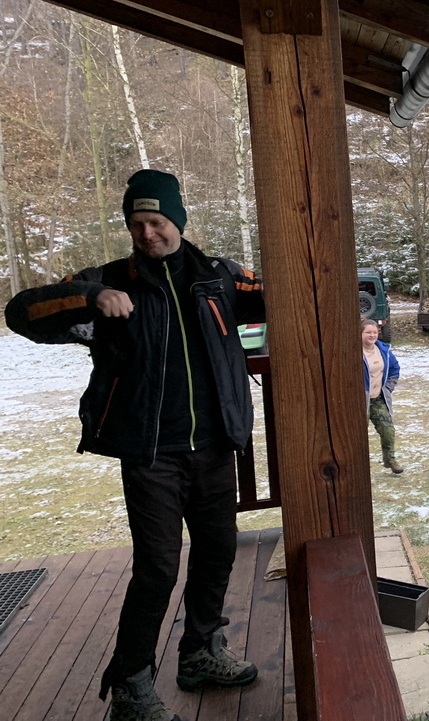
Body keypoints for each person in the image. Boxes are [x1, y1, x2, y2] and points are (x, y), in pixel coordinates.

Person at [4, 169, 263, 721]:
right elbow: (21, 312)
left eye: (157, 221)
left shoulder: (219, 277)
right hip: (150, 454)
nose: (148, 233)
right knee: (158, 568)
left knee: (218, 551)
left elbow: (280, 293)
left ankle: (200, 652)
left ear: (178, 221)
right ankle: (129, 683)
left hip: (215, 445)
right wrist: (90, 297)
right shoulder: (106, 280)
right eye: (137, 223)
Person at [362, 318, 402, 474]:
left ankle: (390, 460)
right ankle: (357, 465)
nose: (372, 335)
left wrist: (388, 387)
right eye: (368, 332)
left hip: (378, 398)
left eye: (375, 332)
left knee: (388, 430)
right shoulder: (353, 352)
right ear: (360, 333)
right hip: (360, 402)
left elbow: (394, 368)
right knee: (358, 436)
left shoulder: (383, 350)